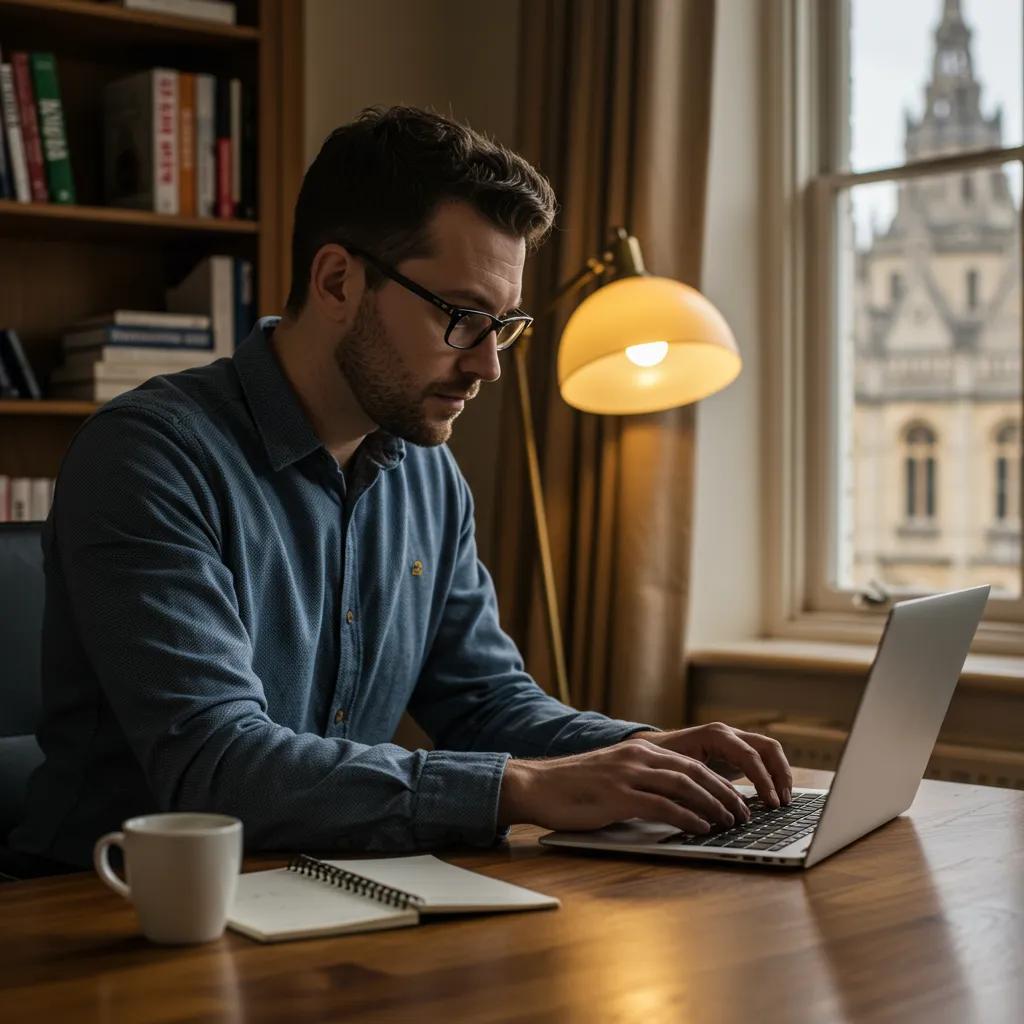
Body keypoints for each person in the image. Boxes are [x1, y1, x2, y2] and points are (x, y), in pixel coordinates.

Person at [10, 106, 791, 872]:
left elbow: (487, 705)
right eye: (463, 317)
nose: (487, 364)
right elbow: (216, 765)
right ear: (338, 280)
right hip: (103, 914)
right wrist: (521, 788)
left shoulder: (427, 475)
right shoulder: (149, 458)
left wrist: (645, 752)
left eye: (505, 326)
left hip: (324, 892)